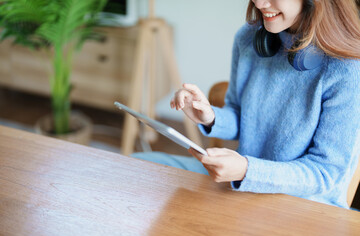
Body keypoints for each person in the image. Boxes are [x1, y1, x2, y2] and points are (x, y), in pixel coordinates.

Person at [132, 0, 360, 209]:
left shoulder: (347, 69)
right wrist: (209, 116)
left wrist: (247, 170)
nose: (260, 3)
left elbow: (325, 173)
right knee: (136, 168)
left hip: (305, 204)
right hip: (244, 182)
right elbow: (241, 117)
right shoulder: (249, 39)